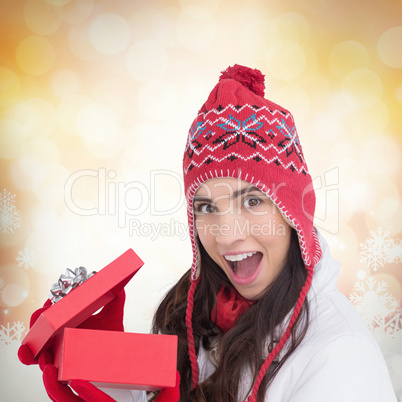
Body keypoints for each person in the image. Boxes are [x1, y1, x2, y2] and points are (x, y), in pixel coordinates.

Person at [19, 65, 397, 402]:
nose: (227, 235)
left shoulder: (338, 356)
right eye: (207, 207)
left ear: (293, 211)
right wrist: (100, 369)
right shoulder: (200, 313)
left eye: (251, 201)